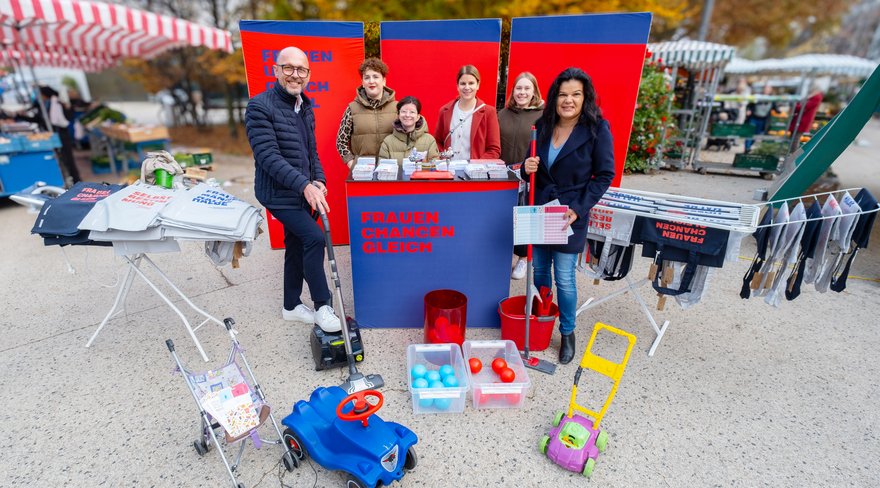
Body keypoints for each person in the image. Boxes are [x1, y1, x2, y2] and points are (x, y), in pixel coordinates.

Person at [522, 67, 616, 364]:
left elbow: (604, 175)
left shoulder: (597, 129)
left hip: (569, 212)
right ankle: (543, 320)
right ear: (554, 97)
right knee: (539, 271)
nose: (568, 100)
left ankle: (567, 332)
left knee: (564, 278)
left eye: (575, 94)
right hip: (541, 207)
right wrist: (527, 167)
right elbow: (529, 163)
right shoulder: (543, 124)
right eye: (563, 94)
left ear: (585, 97)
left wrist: (577, 209)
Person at [245, 46, 341, 333]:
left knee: (297, 243)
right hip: (278, 193)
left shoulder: (304, 106)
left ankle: (290, 306)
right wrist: (304, 186)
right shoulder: (259, 106)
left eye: (301, 70)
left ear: (308, 75)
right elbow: (268, 157)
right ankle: (323, 306)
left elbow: (311, 152)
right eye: (288, 68)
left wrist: (319, 180)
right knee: (314, 238)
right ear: (276, 70)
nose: (294, 75)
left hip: (302, 190)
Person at [498, 72, 544, 280]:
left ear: (534, 90)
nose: (522, 92)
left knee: (525, 217)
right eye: (518, 88)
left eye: (527, 88)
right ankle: (503, 255)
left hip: (530, 176)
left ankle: (523, 259)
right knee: (503, 217)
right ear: (513, 91)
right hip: (505, 175)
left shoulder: (544, 116)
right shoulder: (503, 114)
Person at [336, 57, 397, 169]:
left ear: (384, 81)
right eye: (366, 77)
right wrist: (352, 164)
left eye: (376, 76)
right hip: (362, 173)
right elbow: (341, 142)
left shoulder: (398, 108)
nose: (371, 81)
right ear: (363, 83)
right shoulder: (352, 108)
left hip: (391, 171)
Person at [434, 65, 501, 160]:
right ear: (457, 86)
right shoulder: (444, 111)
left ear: (478, 85)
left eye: (471, 83)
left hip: (475, 173)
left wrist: (475, 167)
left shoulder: (489, 112)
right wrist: (443, 158)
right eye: (463, 83)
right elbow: (437, 141)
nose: (467, 87)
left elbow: (494, 149)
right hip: (448, 171)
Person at [378, 96, 439, 166]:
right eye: (404, 111)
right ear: (398, 114)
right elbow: (382, 169)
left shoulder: (429, 141)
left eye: (412, 112)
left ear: (418, 116)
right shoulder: (388, 142)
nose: (407, 115)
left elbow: (435, 167)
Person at [789, 83, 824, 153]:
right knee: (793, 136)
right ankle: (790, 153)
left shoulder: (817, 96)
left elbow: (805, 106)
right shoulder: (811, 95)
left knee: (796, 138)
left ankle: (792, 155)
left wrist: (796, 105)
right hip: (799, 117)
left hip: (804, 119)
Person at [745, 84, 776, 152]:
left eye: (768, 89)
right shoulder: (757, 96)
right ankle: (747, 148)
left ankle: (749, 146)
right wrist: (748, 110)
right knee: (750, 133)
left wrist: (779, 111)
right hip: (753, 118)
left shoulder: (772, 99)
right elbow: (749, 105)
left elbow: (775, 108)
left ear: (770, 90)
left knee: (756, 135)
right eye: (765, 88)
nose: (766, 90)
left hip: (763, 119)